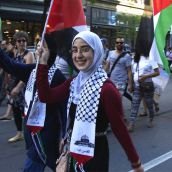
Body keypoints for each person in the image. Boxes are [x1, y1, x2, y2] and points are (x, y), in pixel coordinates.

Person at [36, 31, 144, 172]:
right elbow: (46, 96)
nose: (78, 55)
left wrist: (136, 163)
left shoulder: (107, 89)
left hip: (94, 157)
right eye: (74, 50)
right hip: (72, 151)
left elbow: (120, 129)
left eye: (85, 49)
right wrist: (43, 62)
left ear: (97, 51)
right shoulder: (74, 83)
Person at [0, 38, 67, 171]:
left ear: (52, 52)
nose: (39, 50)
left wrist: (65, 138)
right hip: (30, 133)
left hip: (45, 136)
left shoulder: (58, 77)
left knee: (34, 166)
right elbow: (9, 65)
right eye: (38, 46)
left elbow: (64, 111)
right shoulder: (32, 70)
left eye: (44, 48)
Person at [7, 31, 35, 143]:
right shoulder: (16, 54)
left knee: (27, 112)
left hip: (25, 87)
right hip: (15, 86)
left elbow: (28, 74)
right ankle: (19, 133)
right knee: (16, 110)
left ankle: (31, 135)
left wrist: (18, 88)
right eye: (19, 41)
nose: (22, 43)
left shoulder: (29, 55)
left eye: (24, 40)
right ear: (16, 43)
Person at [127, 51, 160, 132]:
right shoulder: (135, 59)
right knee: (134, 105)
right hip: (137, 86)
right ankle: (131, 124)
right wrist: (130, 84)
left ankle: (151, 120)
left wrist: (146, 76)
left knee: (149, 105)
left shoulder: (151, 59)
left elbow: (157, 73)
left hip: (147, 86)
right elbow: (131, 73)